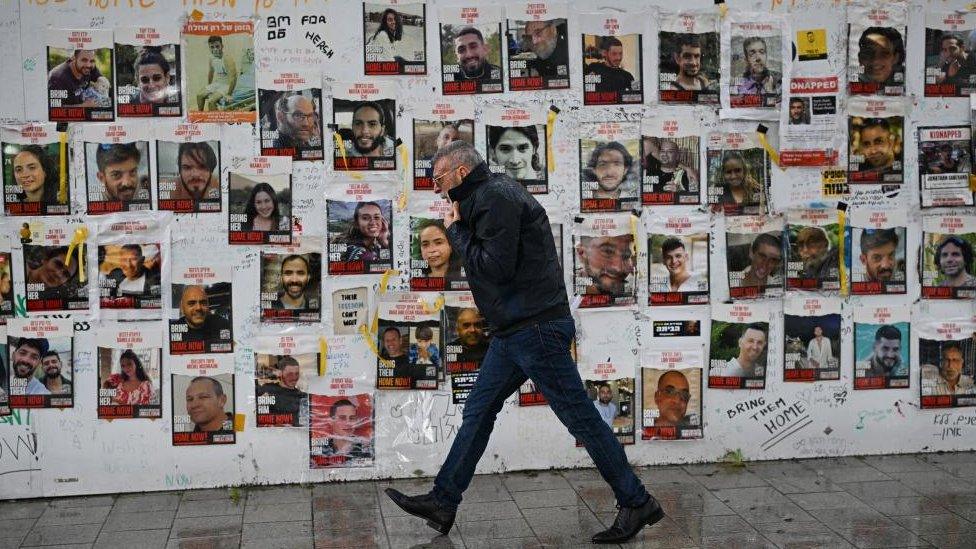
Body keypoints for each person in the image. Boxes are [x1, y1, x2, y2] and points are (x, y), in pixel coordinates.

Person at [385, 141, 662, 543]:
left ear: (461, 173)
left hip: (535, 329)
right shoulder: (487, 195)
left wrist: (455, 230)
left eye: (439, 178)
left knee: (580, 417)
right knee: (478, 412)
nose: (435, 188)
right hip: (513, 331)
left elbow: (493, 268)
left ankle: (636, 501)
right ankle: (443, 501)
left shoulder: (495, 198)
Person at [168, 142, 220, 208]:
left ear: (211, 170)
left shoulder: (220, 187)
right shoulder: (169, 190)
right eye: (187, 167)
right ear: (180, 171)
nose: (195, 174)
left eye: (203, 167)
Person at [256, 356, 306, 421]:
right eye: (290, 374)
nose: (294, 378)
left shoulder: (302, 397)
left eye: (297, 374)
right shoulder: (267, 389)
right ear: (280, 373)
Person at [197, 36, 236, 111]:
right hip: (218, 83)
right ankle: (200, 116)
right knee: (199, 95)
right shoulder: (211, 58)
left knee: (211, 101)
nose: (215, 49)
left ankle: (214, 121)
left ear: (222, 46)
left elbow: (233, 78)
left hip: (228, 84)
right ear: (209, 48)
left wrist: (229, 94)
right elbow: (211, 72)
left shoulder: (227, 59)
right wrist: (209, 86)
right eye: (212, 47)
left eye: (217, 46)